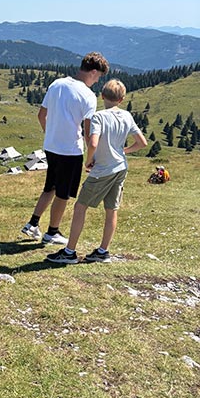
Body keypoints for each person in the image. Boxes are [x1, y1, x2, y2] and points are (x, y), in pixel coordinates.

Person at [46, 78, 147, 264]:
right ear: (122, 99)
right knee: (111, 210)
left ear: (102, 96)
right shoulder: (127, 116)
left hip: (102, 170)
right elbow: (142, 143)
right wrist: (124, 151)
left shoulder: (99, 117)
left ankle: (69, 252)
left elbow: (92, 142)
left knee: (80, 207)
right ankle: (103, 251)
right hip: (121, 168)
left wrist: (89, 160)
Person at [21, 51, 110, 244]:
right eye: (99, 77)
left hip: (51, 146)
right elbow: (88, 132)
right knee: (63, 194)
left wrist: (51, 134)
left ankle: (33, 223)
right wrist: (90, 158)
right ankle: (52, 232)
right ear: (93, 72)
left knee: (50, 187)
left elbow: (41, 115)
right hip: (70, 150)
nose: (97, 81)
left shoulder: (56, 84)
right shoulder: (88, 95)